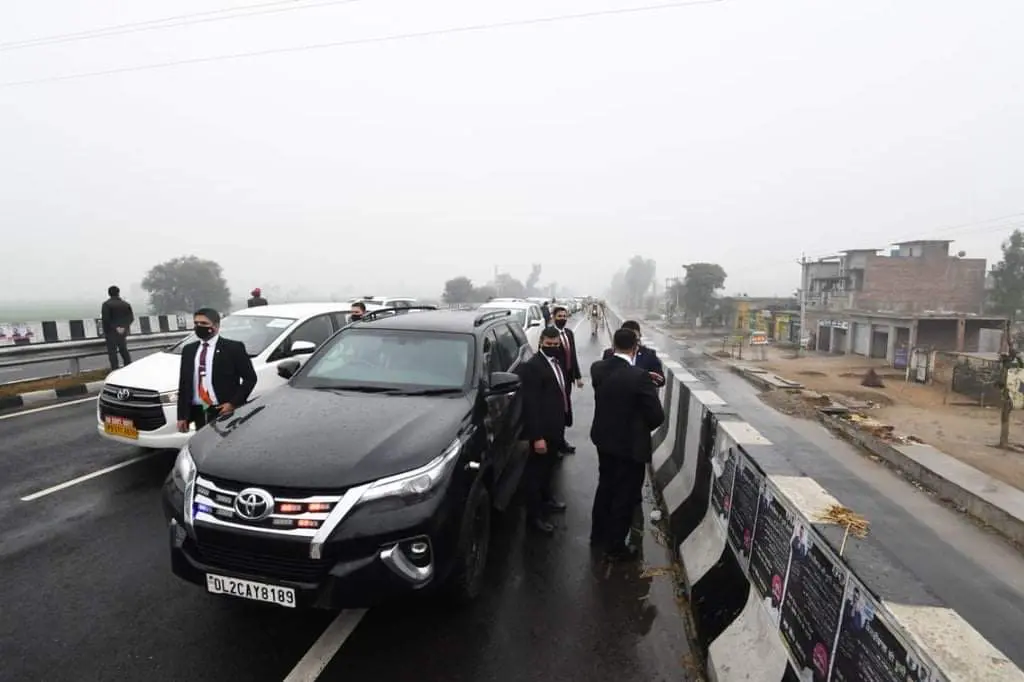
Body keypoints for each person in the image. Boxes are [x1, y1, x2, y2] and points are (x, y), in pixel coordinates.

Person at [590, 328, 665, 560]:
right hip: (630, 446)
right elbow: (656, 416)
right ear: (635, 347)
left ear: (613, 345)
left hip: (604, 440)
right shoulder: (639, 377)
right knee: (624, 495)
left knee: (605, 487)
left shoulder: (597, 368)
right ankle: (615, 547)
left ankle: (598, 535)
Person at [517, 326, 570, 536]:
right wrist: (537, 437)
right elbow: (531, 405)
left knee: (548, 470)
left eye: (556, 345)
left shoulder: (556, 363)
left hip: (555, 428)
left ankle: (548, 500)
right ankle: (534, 517)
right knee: (535, 475)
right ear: (541, 343)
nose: (553, 348)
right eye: (549, 345)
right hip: (542, 432)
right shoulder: (532, 367)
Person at [176, 308, 258, 432]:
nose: (199, 326)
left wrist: (233, 403)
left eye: (204, 324)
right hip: (198, 410)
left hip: (223, 409)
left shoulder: (233, 348)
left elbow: (250, 379)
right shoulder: (189, 350)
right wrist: (182, 416)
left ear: (216, 326)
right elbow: (184, 383)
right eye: (196, 323)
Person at [551, 306, 583, 454]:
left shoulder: (569, 333)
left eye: (564, 316)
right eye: (559, 316)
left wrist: (577, 376)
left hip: (568, 379)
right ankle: (555, 443)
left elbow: (573, 355)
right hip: (555, 380)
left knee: (564, 410)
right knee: (555, 412)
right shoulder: (550, 335)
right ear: (553, 317)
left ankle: (561, 440)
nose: (562, 319)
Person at [602, 321, 665, 386]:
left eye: (636, 340)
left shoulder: (649, 354)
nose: (633, 344)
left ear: (640, 336)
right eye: (628, 340)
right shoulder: (609, 353)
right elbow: (602, 379)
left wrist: (647, 377)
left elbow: (661, 380)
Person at [101, 285, 135, 370]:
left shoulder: (106, 305)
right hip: (122, 333)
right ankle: (128, 369)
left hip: (111, 333)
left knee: (113, 353)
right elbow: (131, 318)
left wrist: (116, 328)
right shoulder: (126, 304)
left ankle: (115, 371)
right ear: (118, 293)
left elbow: (106, 319)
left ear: (109, 293)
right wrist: (123, 327)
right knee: (124, 351)